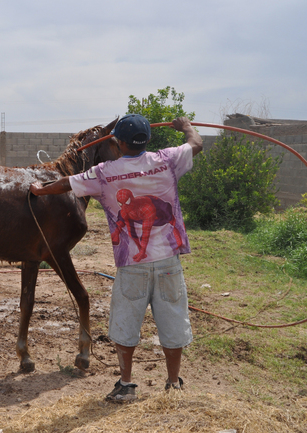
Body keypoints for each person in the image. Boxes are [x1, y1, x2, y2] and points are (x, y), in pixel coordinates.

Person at [30, 114, 203, 403]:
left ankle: (126, 385)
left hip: (132, 265)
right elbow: (196, 144)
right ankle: (173, 384)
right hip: (168, 262)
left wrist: (40, 189)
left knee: (126, 323)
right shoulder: (166, 159)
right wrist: (185, 126)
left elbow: (66, 184)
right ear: (147, 139)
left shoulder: (104, 172)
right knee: (173, 320)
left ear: (119, 143)